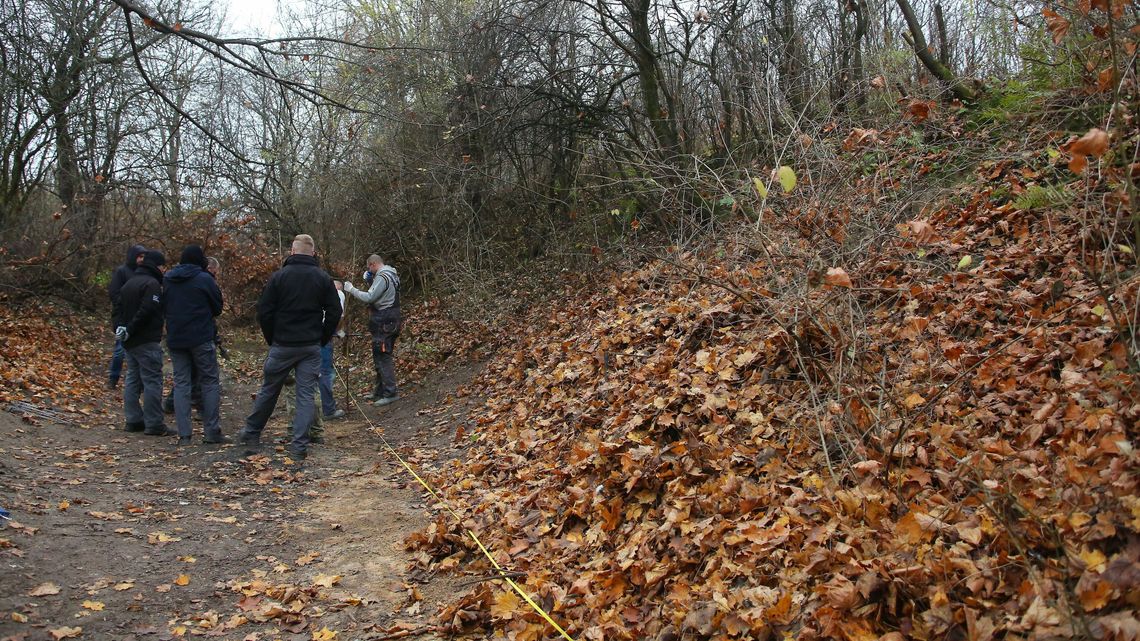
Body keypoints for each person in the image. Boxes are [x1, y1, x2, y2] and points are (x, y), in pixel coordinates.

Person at [237, 235, 342, 460]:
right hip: (310, 345)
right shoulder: (322, 278)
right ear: (313, 253)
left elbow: (264, 312)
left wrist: (272, 338)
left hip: (283, 344)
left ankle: (252, 433)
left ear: (292, 252)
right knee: (305, 395)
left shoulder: (279, 277)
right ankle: (299, 445)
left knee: (269, 390)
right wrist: (322, 337)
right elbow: (335, 311)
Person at [163, 245, 225, 446]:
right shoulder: (205, 279)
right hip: (201, 337)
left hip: (176, 338)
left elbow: (164, 305)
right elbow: (217, 307)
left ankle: (184, 435)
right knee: (209, 381)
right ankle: (211, 431)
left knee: (181, 383)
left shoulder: (168, 279)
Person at [116, 250, 173, 436]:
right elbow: (147, 309)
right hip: (146, 340)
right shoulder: (152, 284)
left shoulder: (129, 282)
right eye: (163, 266)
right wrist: (131, 328)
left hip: (130, 342)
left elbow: (117, 307)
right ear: (157, 266)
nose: (164, 270)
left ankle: (133, 420)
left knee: (132, 379)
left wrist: (121, 328)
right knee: (152, 381)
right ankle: (154, 423)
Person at [343, 254, 401, 406]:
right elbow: (382, 293)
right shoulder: (392, 274)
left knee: (383, 356)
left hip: (385, 319)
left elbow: (370, 297)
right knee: (378, 355)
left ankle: (390, 392)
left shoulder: (383, 276)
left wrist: (352, 289)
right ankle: (380, 392)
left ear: (373, 264)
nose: (369, 270)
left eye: (369, 267)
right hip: (391, 318)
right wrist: (370, 280)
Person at [107, 244, 146, 388]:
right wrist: (125, 306)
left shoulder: (144, 272)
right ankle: (113, 377)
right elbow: (114, 292)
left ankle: (139, 381)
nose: (142, 259)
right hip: (123, 316)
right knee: (120, 349)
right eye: (140, 256)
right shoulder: (122, 271)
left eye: (144, 257)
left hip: (138, 316)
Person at [321, 283, 347, 421]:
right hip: (323, 334)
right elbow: (339, 316)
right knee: (325, 372)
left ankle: (309, 408)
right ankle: (328, 409)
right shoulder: (338, 294)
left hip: (305, 334)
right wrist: (336, 332)